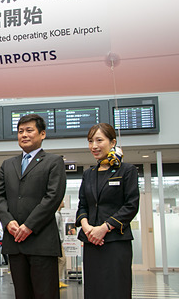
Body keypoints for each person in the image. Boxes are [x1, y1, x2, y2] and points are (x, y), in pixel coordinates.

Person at [0, 114, 66, 299]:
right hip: (15, 241)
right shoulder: (8, 164)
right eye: (20, 131)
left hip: (41, 242)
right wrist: (8, 222)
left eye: (29, 130)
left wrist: (29, 226)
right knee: (22, 293)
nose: (24, 135)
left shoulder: (53, 162)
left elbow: (53, 197)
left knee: (45, 293)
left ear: (42, 134)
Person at [75, 123, 139, 299]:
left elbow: (131, 206)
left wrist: (104, 228)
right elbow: (82, 205)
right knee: (94, 290)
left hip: (115, 241)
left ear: (112, 142)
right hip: (91, 242)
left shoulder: (127, 171)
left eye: (99, 140)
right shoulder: (89, 173)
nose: (93, 146)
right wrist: (87, 227)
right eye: (90, 141)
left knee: (116, 289)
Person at [55, 201, 68, 288]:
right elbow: (56, 229)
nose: (63, 202)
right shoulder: (56, 214)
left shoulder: (58, 214)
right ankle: (57, 281)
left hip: (58, 241)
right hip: (57, 242)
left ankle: (57, 281)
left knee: (61, 261)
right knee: (62, 260)